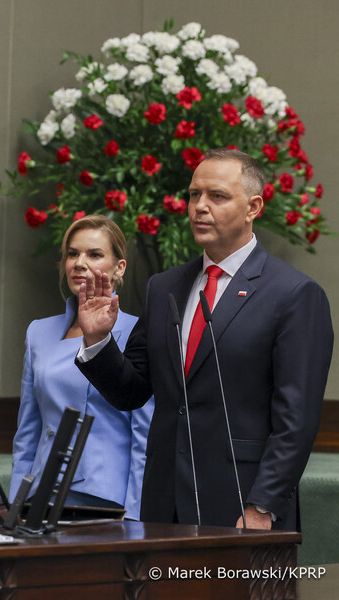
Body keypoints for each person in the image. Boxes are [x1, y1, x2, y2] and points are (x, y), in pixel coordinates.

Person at [75, 148, 333, 530]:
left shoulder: (294, 295)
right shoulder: (165, 287)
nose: (199, 207)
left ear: (253, 207)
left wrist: (263, 506)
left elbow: (297, 420)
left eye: (217, 196)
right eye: (194, 194)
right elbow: (132, 391)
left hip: (244, 506)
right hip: (165, 504)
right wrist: (98, 340)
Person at [10, 216, 154, 520]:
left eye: (94, 254)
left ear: (119, 268)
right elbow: (28, 431)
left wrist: (135, 517)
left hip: (105, 497)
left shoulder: (136, 332)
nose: (79, 263)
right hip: (41, 493)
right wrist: (15, 503)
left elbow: (144, 439)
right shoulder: (38, 332)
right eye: (72, 254)